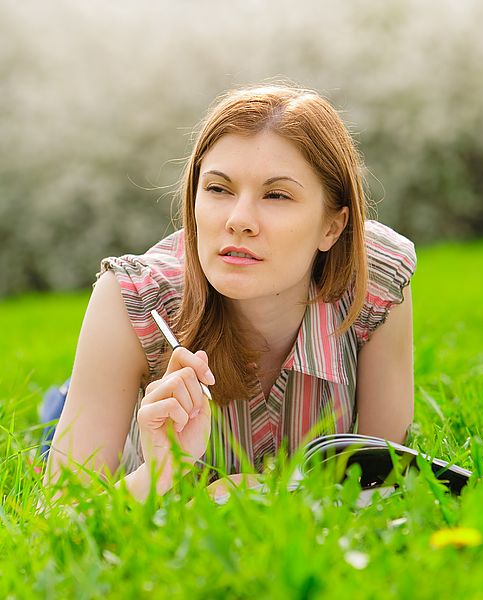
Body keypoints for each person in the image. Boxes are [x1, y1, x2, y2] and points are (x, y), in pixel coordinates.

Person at [41, 83, 417, 503]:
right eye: (219, 189)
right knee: (56, 421)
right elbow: (60, 519)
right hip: (111, 392)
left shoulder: (376, 279)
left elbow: (387, 482)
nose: (239, 220)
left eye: (276, 195)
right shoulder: (132, 299)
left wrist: (267, 492)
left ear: (332, 226)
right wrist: (161, 472)